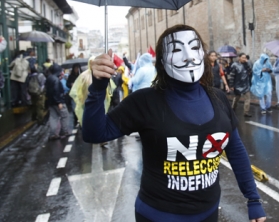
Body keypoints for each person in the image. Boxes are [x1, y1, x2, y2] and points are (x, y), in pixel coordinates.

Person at [82, 25, 266, 222]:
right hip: (158, 216)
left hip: (209, 213)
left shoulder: (219, 99)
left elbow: (236, 150)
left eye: (194, 48)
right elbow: (95, 133)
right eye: (177, 50)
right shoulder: (145, 101)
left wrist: (253, 199)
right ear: (161, 62)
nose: (188, 56)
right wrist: (98, 88)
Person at [45, 64, 72, 140]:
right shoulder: (56, 80)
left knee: (53, 117)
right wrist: (59, 102)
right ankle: (64, 131)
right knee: (64, 115)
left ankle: (52, 134)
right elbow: (56, 91)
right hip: (58, 102)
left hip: (50, 102)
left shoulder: (49, 78)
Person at [229, 53, 252, 117]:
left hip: (245, 84)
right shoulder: (235, 65)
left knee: (248, 98)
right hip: (237, 84)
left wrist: (247, 64)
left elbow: (250, 72)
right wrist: (231, 85)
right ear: (239, 57)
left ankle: (246, 112)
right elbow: (232, 76)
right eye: (243, 57)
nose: (244, 59)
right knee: (236, 98)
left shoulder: (246, 64)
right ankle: (233, 109)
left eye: (245, 57)